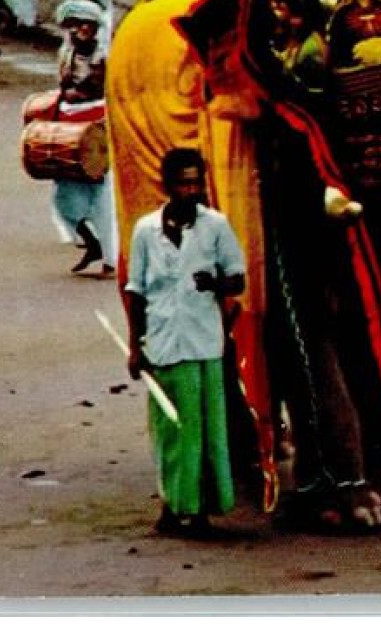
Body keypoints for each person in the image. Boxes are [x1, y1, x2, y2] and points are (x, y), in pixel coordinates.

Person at [124, 146, 247, 538]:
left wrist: (216, 284)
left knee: (204, 430)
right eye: (183, 184)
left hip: (204, 343)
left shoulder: (215, 227)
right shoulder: (146, 230)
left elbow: (238, 279)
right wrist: (135, 345)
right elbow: (136, 290)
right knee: (169, 429)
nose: (190, 191)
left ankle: (199, 511)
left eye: (196, 183)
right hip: (163, 341)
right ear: (169, 186)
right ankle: (171, 504)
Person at [51, 0, 118, 276]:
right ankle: (92, 243)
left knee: (102, 195)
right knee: (63, 198)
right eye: (73, 25)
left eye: (84, 25)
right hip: (68, 125)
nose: (78, 30)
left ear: (95, 28)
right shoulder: (65, 54)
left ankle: (110, 258)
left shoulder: (106, 58)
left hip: (96, 126)